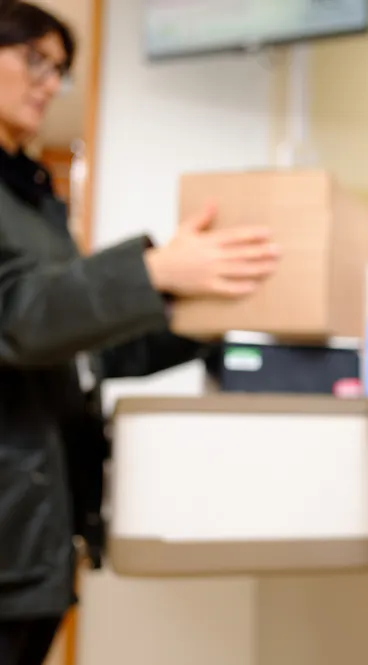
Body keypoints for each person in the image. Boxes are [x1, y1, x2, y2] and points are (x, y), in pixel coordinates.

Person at [0, 3, 280, 663]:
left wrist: (198, 312)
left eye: (59, 69)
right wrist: (152, 270)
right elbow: (16, 316)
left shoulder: (35, 201)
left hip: (39, 533)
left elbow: (85, 348)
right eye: (34, 59)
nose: (49, 82)